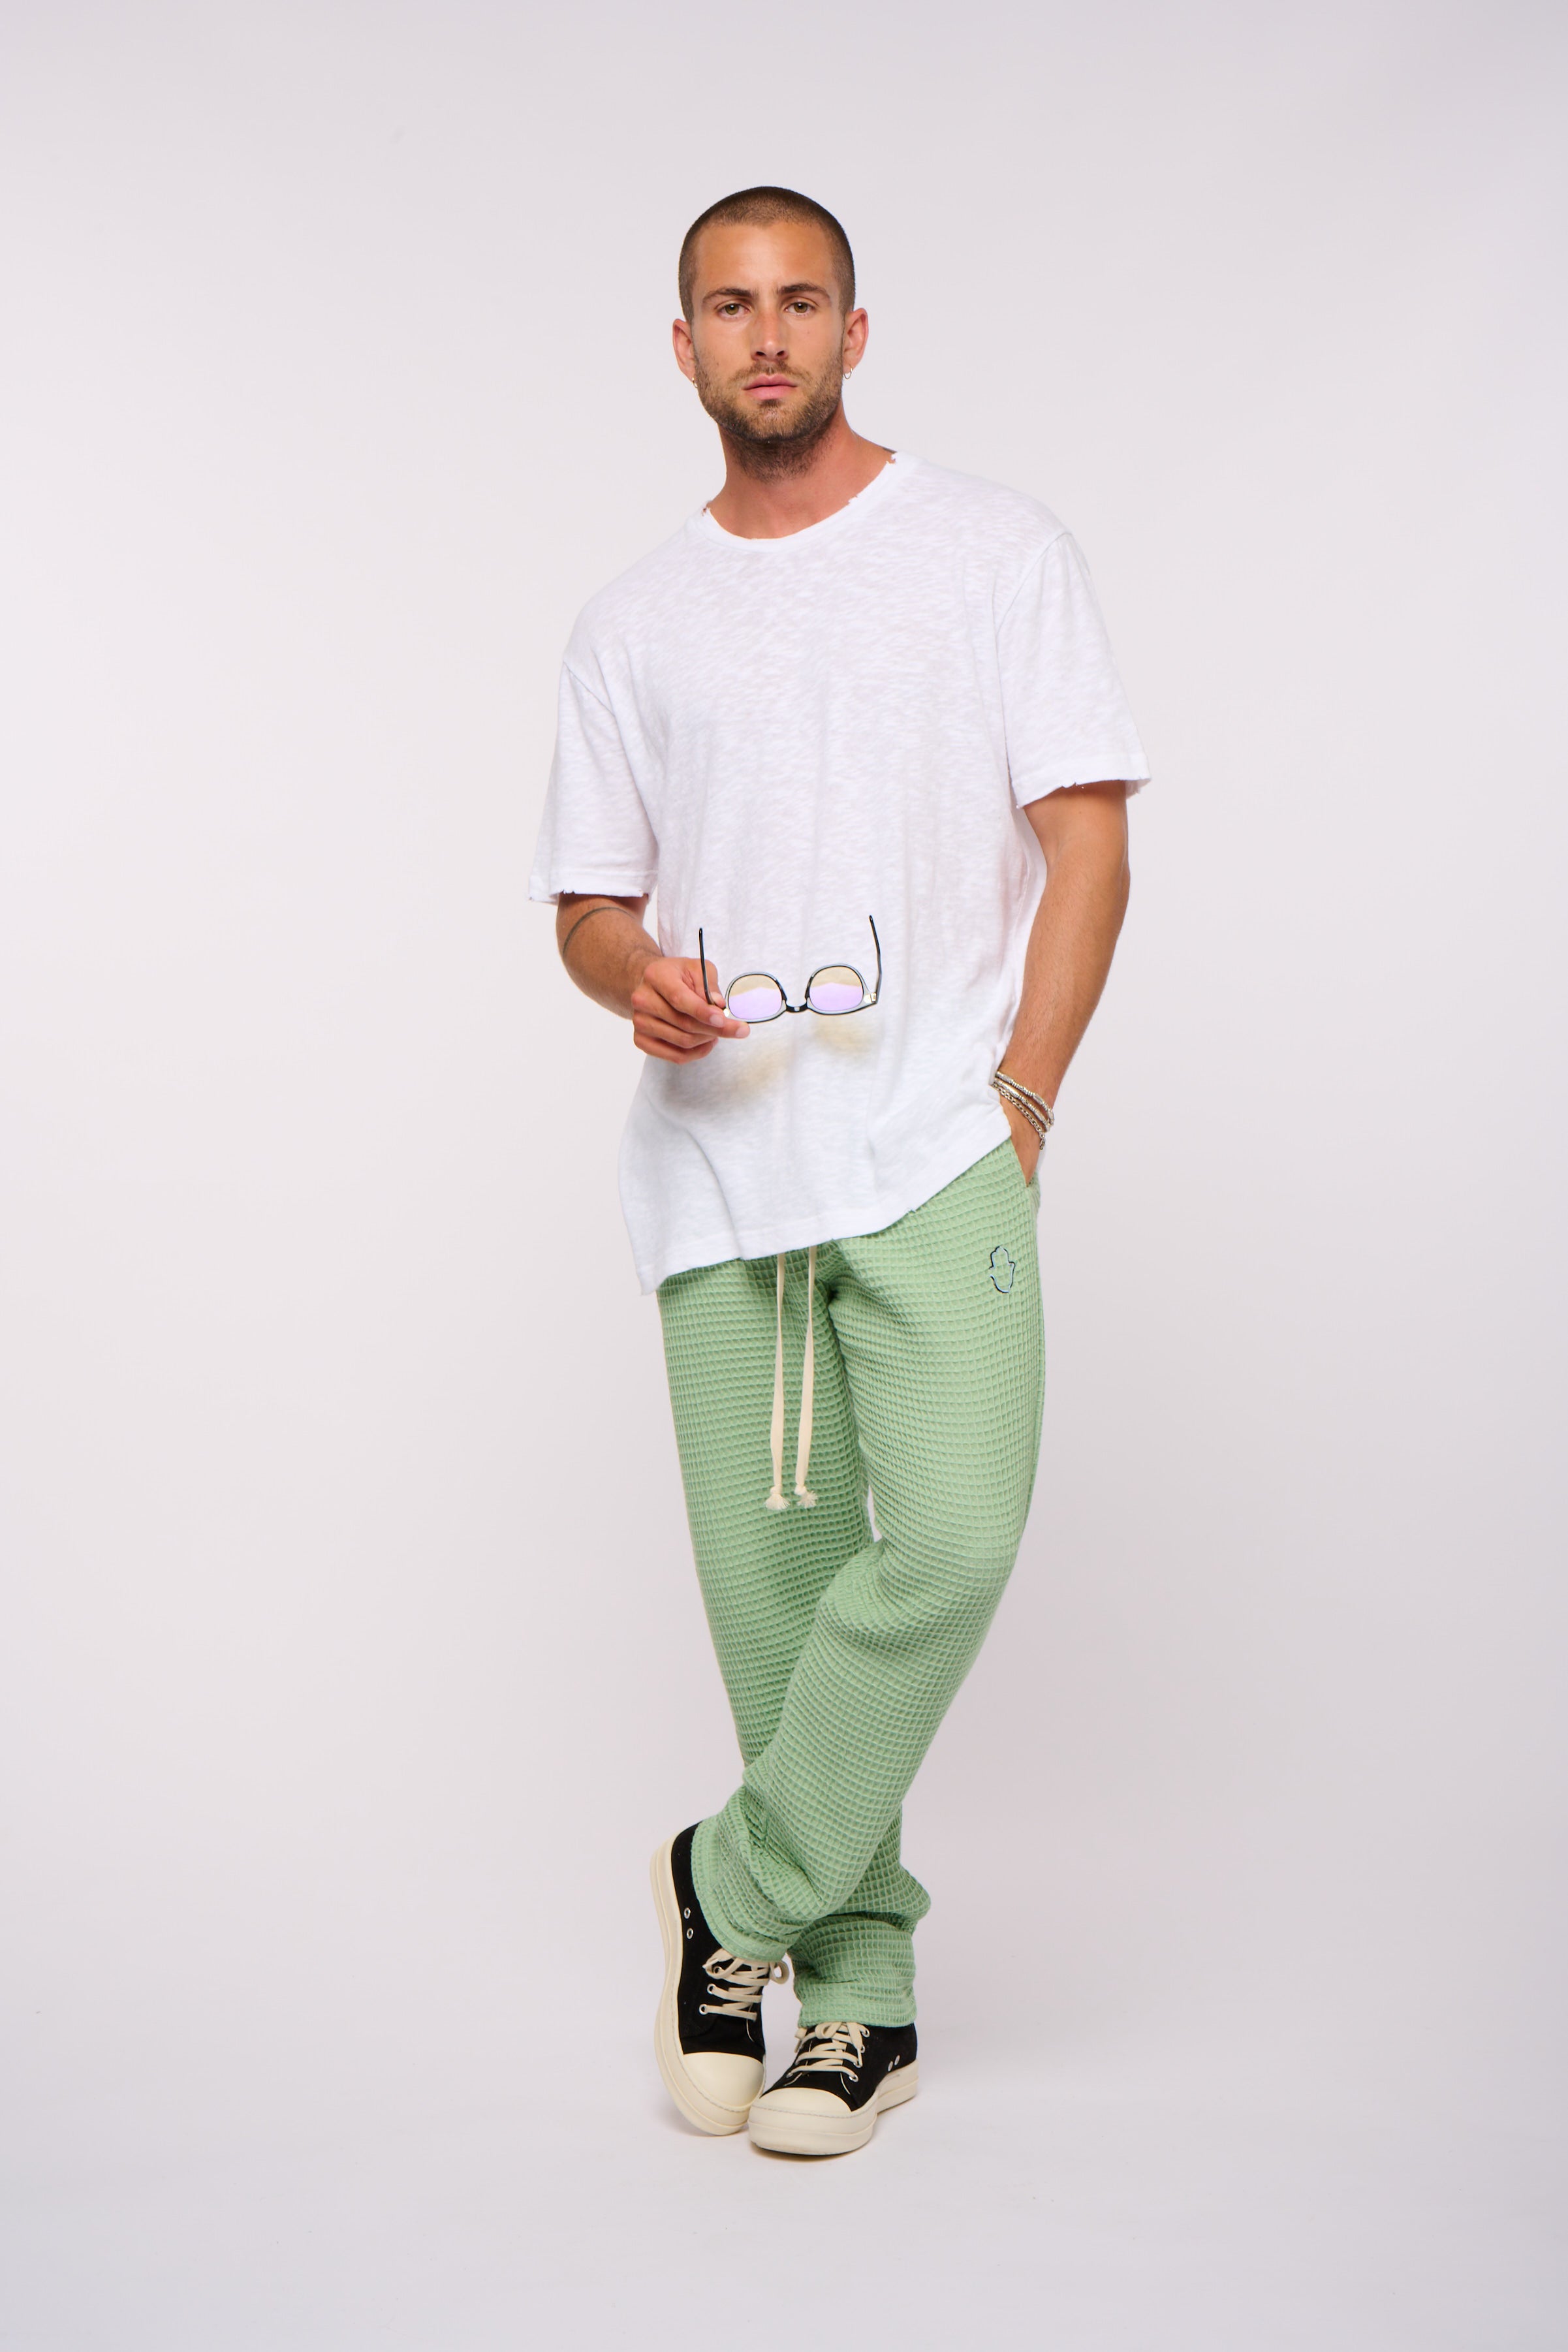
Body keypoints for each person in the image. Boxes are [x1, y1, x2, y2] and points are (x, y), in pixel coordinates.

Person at [530, 186, 1149, 2157]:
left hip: (939, 1135)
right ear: (684, 346)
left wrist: (1023, 1101)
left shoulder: (992, 552)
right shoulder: (631, 621)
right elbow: (587, 909)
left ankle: (726, 1884)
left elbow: (1087, 843)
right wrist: (631, 975)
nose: (768, 335)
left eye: (802, 301)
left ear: (856, 332)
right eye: (730, 306)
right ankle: (857, 2005)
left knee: (952, 1538)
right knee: (779, 1612)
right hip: (721, 1168)